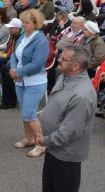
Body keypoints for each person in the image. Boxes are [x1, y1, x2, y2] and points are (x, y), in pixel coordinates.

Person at [35, 44, 97, 192]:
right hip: (53, 148)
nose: (58, 60)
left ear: (75, 66)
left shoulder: (82, 95)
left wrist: (45, 140)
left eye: (63, 58)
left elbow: (69, 132)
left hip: (66, 155)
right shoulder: (64, 76)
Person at [9, 9, 49, 157]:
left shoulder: (41, 40)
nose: (23, 25)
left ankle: (40, 144)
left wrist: (18, 72)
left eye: (26, 23)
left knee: (29, 113)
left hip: (34, 82)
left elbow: (37, 63)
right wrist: (14, 69)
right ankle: (29, 138)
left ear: (35, 23)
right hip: (20, 81)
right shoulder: (23, 36)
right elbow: (14, 55)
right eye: (23, 22)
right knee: (25, 113)